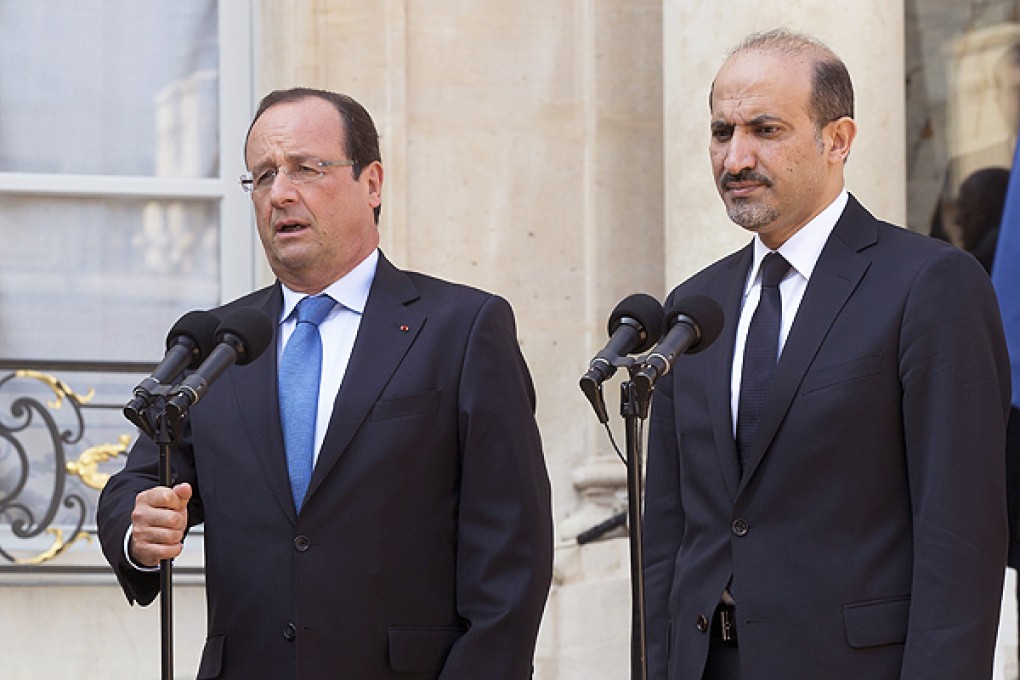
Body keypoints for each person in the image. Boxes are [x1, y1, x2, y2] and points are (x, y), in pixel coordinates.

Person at [97, 88, 553, 680]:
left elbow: (513, 557)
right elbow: (137, 482)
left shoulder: (462, 328)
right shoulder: (222, 343)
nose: (280, 192)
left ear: (372, 184)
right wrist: (141, 528)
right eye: (261, 176)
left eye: (306, 169)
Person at [642, 29, 1011, 679]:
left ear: (837, 139)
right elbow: (667, 540)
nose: (736, 158)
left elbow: (962, 539)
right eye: (722, 131)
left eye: (765, 129)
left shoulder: (930, 285)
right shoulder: (694, 309)